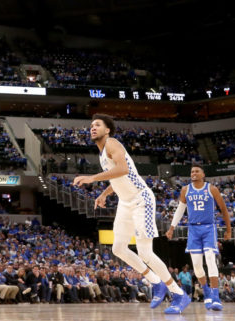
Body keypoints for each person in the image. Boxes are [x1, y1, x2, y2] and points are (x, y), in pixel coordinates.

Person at [73, 114, 191, 314]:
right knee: (118, 248)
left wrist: (92, 178)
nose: (92, 128)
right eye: (91, 125)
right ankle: (156, 282)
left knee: (145, 252)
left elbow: (123, 168)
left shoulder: (112, 143)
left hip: (141, 199)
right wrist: (103, 194)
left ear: (107, 130)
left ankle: (179, 293)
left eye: (97, 125)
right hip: (126, 202)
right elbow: (118, 177)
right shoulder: (102, 152)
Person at [166, 165, 232, 311]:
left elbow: (224, 209)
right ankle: (206, 291)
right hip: (193, 229)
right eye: (192, 172)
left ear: (203, 174)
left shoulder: (212, 189)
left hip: (209, 228)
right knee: (196, 265)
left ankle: (215, 297)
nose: (193, 173)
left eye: (196, 171)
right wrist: (172, 228)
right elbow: (180, 210)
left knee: (210, 258)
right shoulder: (185, 190)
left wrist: (229, 229)